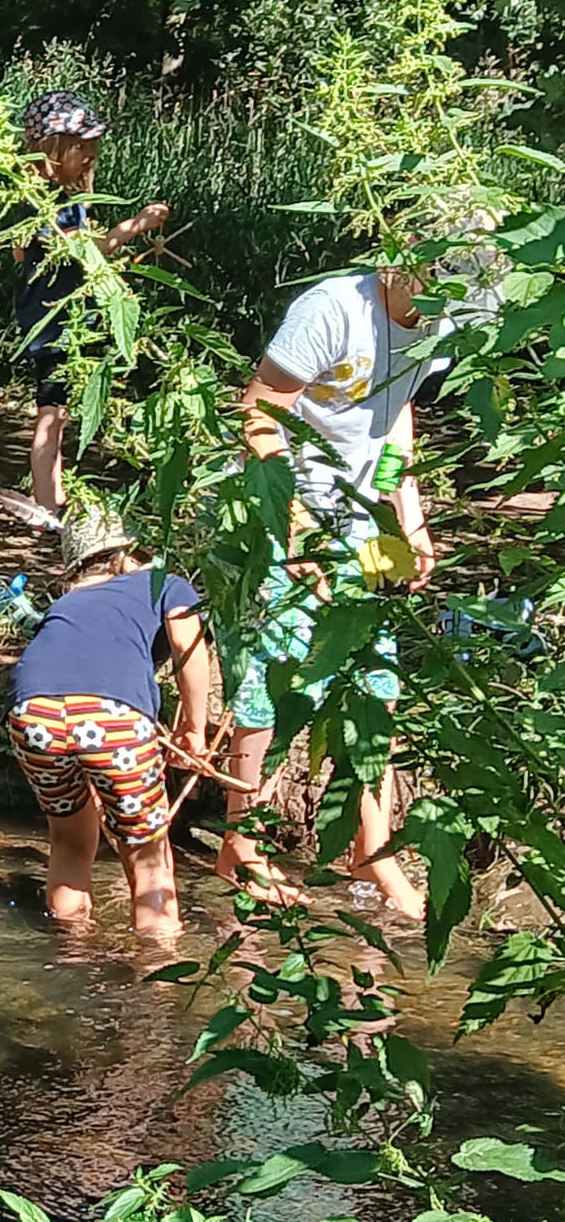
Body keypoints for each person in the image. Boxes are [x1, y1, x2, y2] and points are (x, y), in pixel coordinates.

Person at [224, 265, 443, 919]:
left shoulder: (447, 316)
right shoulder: (332, 311)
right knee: (275, 678)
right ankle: (241, 845)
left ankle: (370, 851)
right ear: (405, 256)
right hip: (289, 511)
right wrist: (294, 523)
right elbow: (258, 410)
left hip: (364, 519)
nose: (449, 292)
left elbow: (398, 410)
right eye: (438, 273)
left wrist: (409, 515)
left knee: (378, 683)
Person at [8, 507, 210, 937]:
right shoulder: (165, 583)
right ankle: (156, 971)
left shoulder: (66, 603)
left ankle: (73, 955)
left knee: (69, 843)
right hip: (112, 715)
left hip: (33, 711)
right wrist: (195, 728)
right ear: (132, 553)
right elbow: (187, 644)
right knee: (149, 860)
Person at [12, 92, 171, 515]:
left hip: (53, 315)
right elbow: (82, 251)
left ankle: (53, 499)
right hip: (57, 321)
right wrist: (134, 226)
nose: (89, 155)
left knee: (57, 410)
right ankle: (47, 506)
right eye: (80, 146)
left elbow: (20, 253)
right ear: (51, 149)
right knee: (52, 411)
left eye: (92, 146)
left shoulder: (39, 199)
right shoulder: (52, 203)